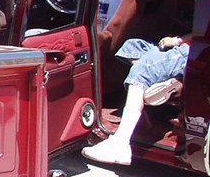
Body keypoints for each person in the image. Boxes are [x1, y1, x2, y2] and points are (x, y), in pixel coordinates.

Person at [81, 35, 189, 166]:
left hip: (187, 52)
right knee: (132, 45)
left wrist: (176, 40)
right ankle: (158, 79)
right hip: (180, 48)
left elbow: (202, 32)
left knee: (140, 73)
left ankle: (121, 142)